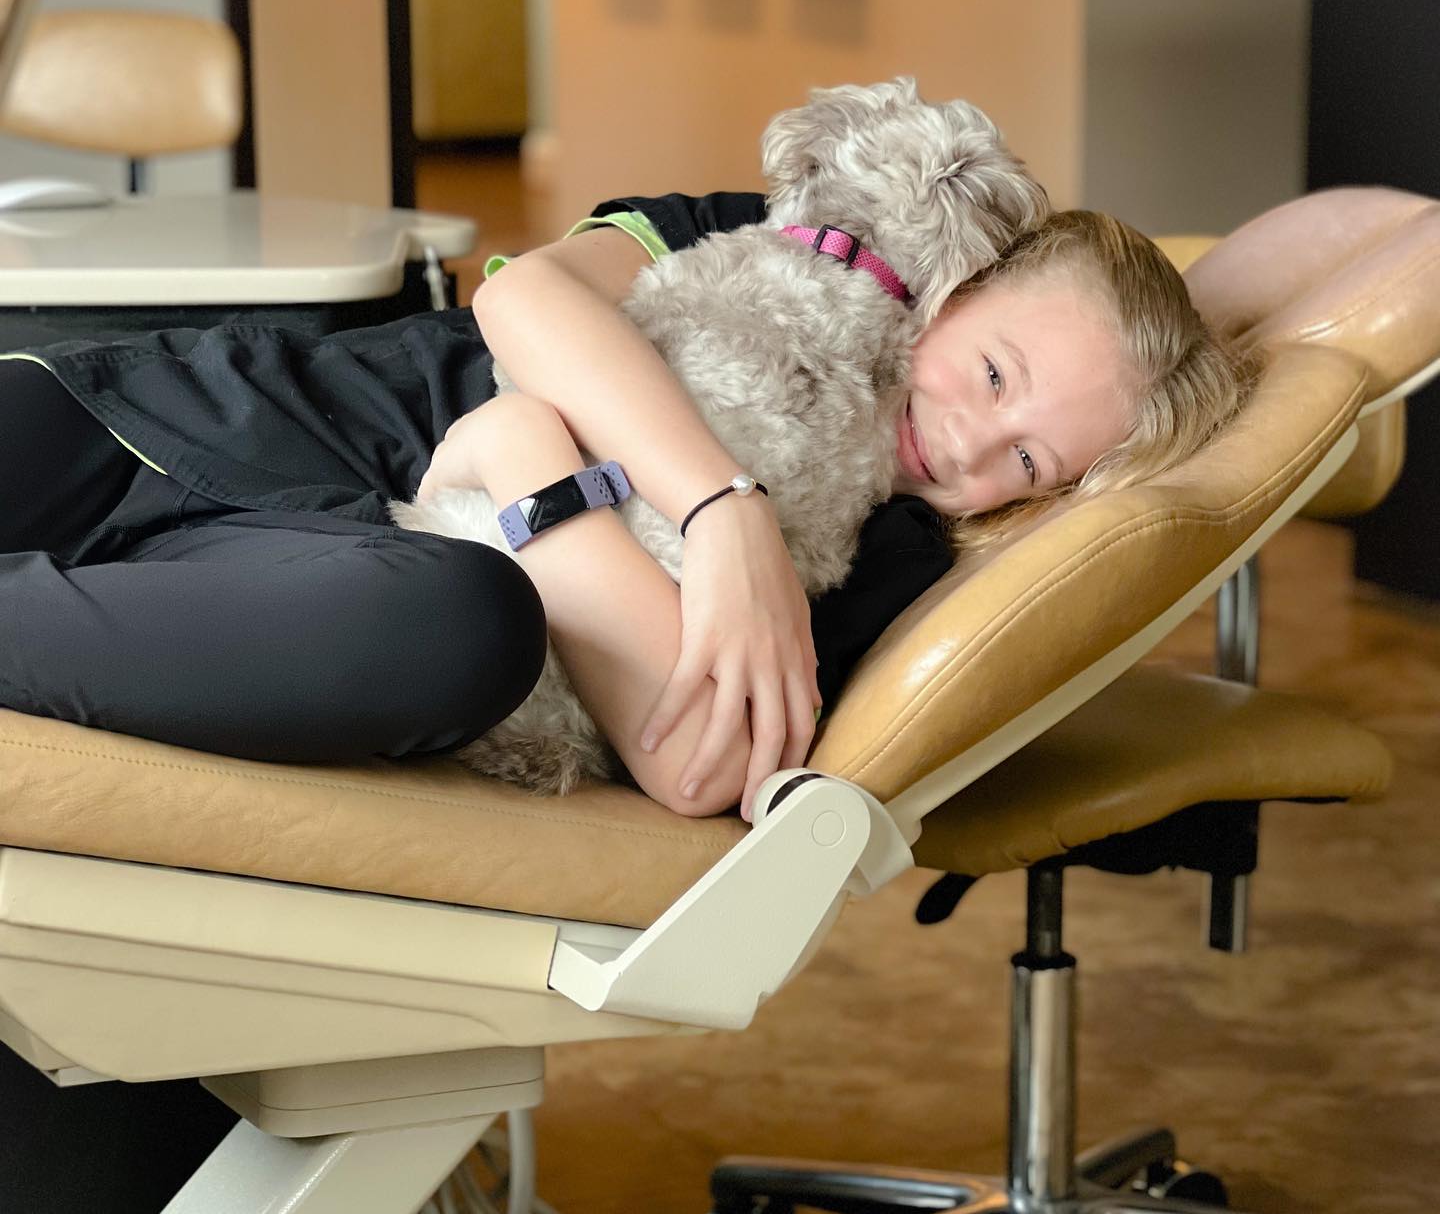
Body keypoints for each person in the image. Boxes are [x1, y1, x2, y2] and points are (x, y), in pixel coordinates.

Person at [0, 193, 1246, 827]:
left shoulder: (894, 549)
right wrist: (723, 510)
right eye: (990, 374)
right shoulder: (778, 242)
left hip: (350, 590)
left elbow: (698, 754)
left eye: (1027, 462)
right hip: (181, 420)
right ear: (964, 285)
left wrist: (537, 472)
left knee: (462, 621)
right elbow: (523, 300)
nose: (971, 439)